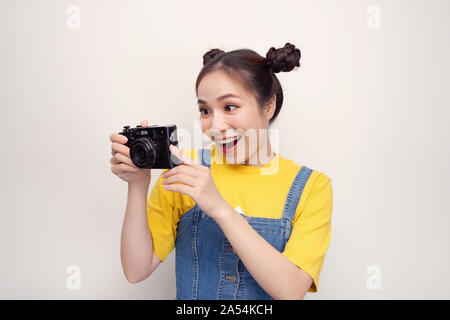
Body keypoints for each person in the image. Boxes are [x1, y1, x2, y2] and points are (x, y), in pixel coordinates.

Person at [109, 43, 333, 300]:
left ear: (268, 106)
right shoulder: (184, 171)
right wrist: (137, 184)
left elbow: (291, 290)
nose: (214, 125)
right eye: (205, 111)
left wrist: (219, 207)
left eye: (230, 107)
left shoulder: (312, 187)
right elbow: (136, 270)